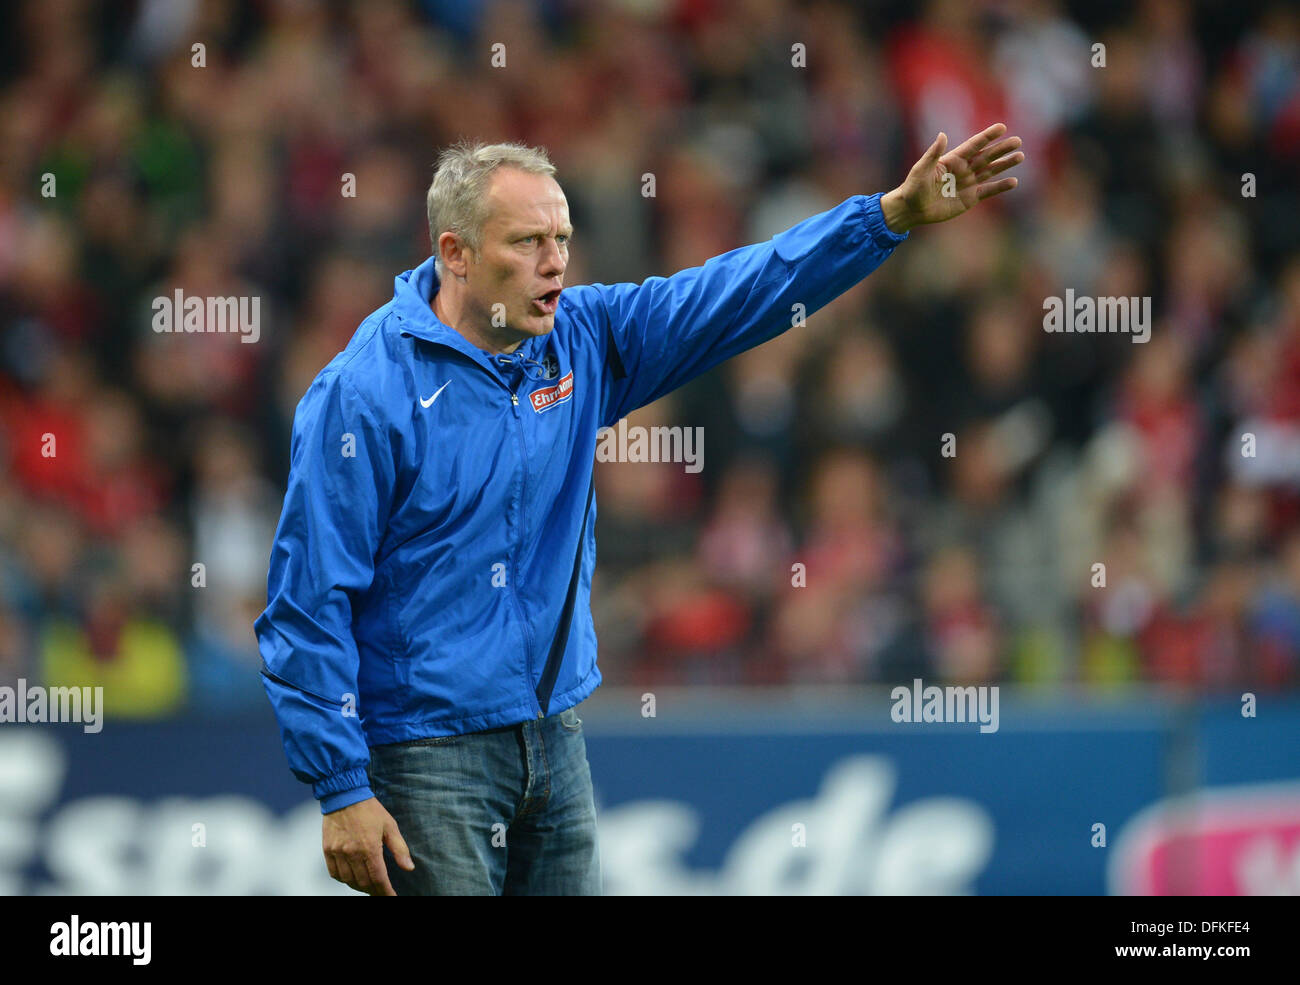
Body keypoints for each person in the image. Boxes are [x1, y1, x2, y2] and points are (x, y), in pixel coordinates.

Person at [254, 126, 1024, 896]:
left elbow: (735, 293)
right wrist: (342, 784)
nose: (555, 261)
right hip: (427, 755)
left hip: (555, 738)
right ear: (455, 253)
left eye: (561, 238)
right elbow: (306, 602)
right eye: (527, 242)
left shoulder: (578, 341)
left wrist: (884, 219)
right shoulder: (362, 394)